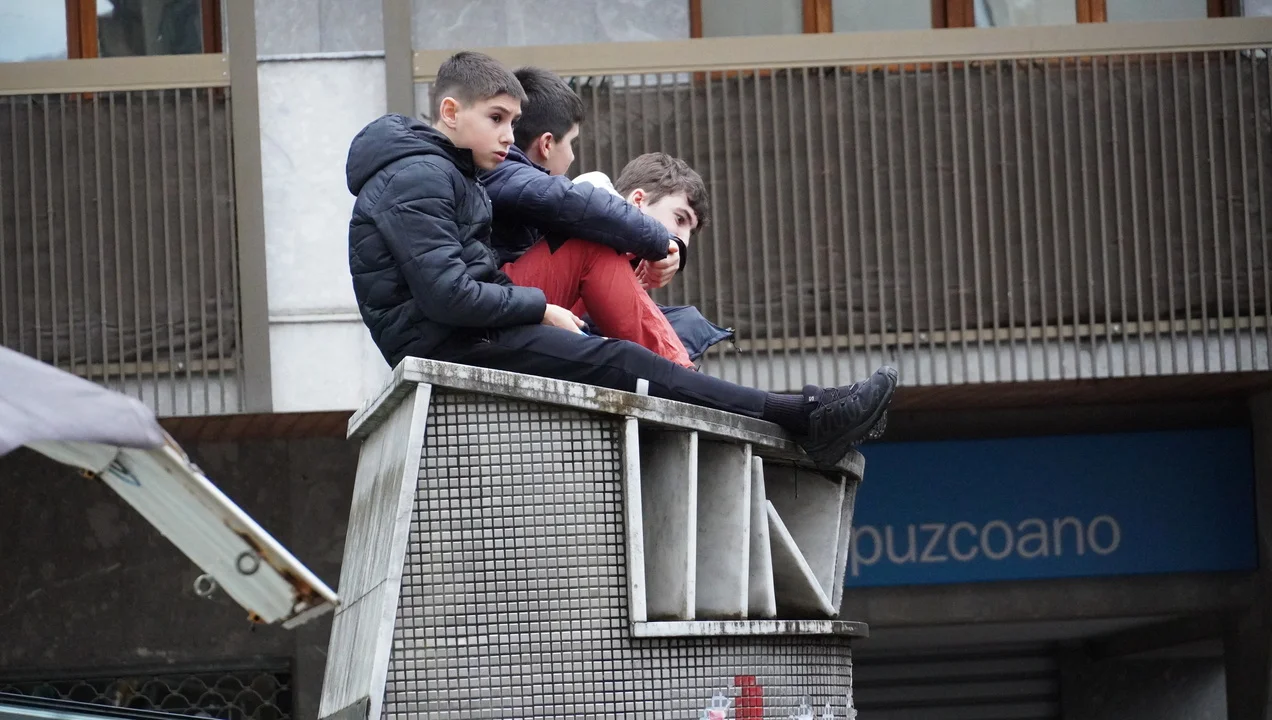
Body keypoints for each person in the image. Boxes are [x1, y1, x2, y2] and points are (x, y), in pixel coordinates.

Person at [346, 51, 896, 468]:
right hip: (451, 343)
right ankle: (802, 415)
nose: (510, 136)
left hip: (467, 333)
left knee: (622, 353)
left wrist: (540, 310)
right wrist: (541, 309)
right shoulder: (419, 175)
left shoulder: (442, 170)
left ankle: (793, 409)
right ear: (450, 111)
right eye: (497, 119)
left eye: (513, 121)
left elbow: (468, 280)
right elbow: (448, 294)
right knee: (623, 361)